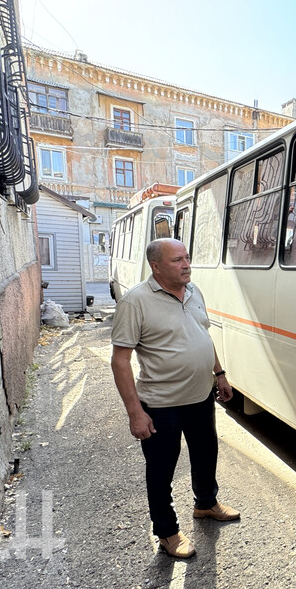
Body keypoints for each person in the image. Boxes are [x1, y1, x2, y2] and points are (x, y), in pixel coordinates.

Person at [111, 238, 240, 559]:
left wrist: (219, 374)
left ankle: (206, 504)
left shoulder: (194, 292)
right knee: (161, 471)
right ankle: (167, 532)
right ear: (156, 266)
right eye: (177, 260)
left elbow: (202, 335)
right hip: (160, 406)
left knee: (206, 454)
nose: (186, 265)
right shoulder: (135, 302)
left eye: (187, 257)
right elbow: (120, 360)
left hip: (200, 399)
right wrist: (135, 413)